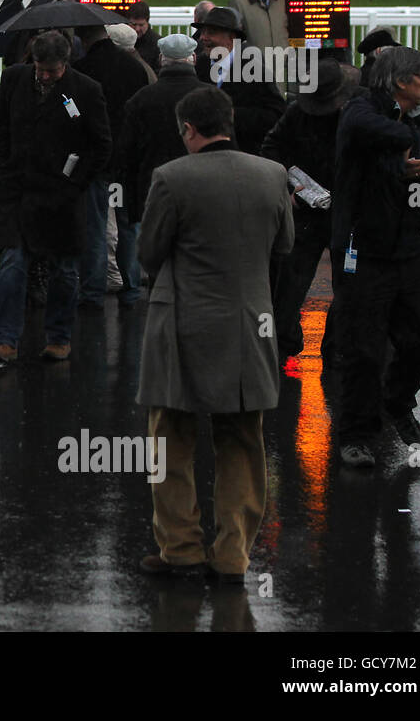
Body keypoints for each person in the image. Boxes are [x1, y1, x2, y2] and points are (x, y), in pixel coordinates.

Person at [138, 86, 293, 583]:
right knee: (243, 440)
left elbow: (148, 252)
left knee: (170, 438)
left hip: (182, 322)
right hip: (249, 323)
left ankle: (180, 547)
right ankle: (232, 555)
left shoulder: (170, 178)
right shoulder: (272, 176)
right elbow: (284, 244)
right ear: (229, 122)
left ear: (188, 129)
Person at [330, 46, 420, 467]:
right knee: (363, 349)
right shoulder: (361, 109)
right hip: (363, 251)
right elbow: (368, 128)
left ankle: (397, 402)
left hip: (408, 249)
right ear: (400, 81)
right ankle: (355, 435)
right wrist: (409, 134)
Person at [0, 31, 111, 364]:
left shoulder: (86, 90)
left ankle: (58, 337)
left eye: (52, 71)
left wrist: (74, 184)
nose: (44, 76)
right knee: (12, 265)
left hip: (62, 197)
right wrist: (0, 168)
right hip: (18, 193)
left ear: (65, 64)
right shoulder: (14, 79)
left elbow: (99, 146)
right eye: (40, 69)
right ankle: (5, 340)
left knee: (65, 272)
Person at [260, 59, 357, 365]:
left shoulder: (353, 113)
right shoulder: (299, 114)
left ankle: (333, 344)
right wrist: (288, 185)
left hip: (342, 208)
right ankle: (287, 341)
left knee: (344, 280)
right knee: (293, 279)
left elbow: (271, 147)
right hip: (311, 206)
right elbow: (271, 148)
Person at [73, 23, 150, 309]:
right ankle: (130, 288)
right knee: (129, 227)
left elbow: (76, 115)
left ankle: (92, 290)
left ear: (83, 38)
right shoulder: (135, 69)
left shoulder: (81, 69)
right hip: (128, 161)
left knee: (95, 227)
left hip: (96, 161)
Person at [119, 34, 209, 227]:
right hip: (202, 191)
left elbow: (128, 154)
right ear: (193, 59)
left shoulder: (141, 99)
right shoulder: (212, 97)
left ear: (161, 59)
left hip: (153, 192)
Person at [193, 6, 284, 154]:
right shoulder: (200, 66)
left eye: (211, 32)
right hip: (205, 158)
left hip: (245, 156)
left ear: (231, 38)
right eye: (203, 32)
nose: (203, 37)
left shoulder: (253, 70)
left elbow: (276, 114)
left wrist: (232, 115)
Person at [126, 0, 161, 74]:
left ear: (147, 22)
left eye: (141, 25)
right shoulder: (121, 39)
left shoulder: (157, 43)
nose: (137, 29)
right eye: (134, 25)